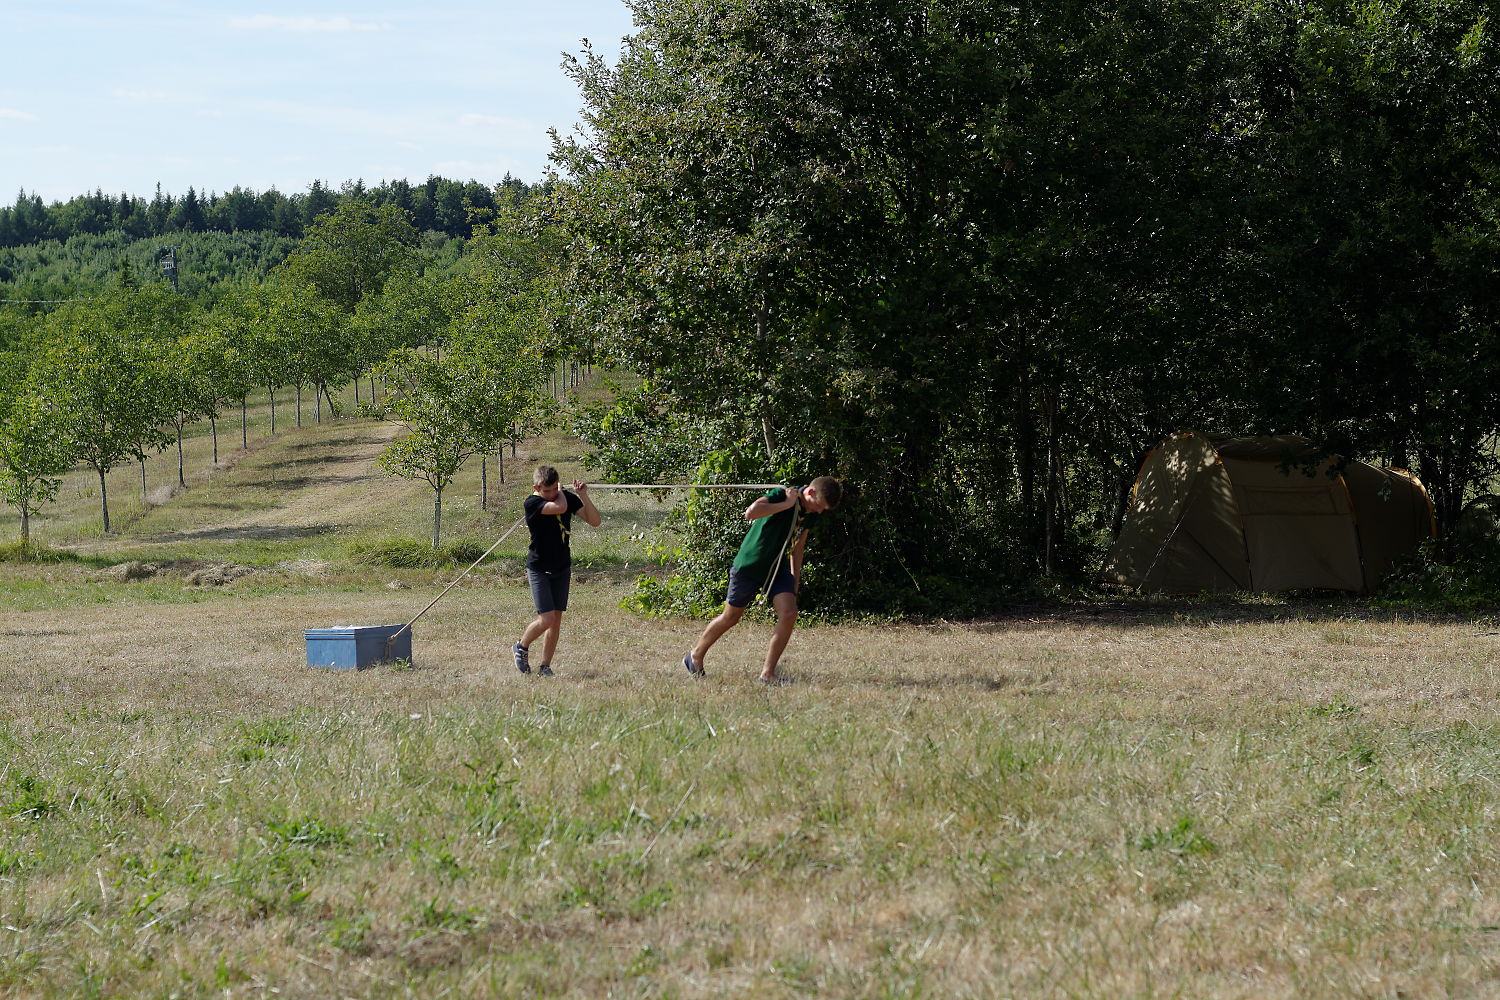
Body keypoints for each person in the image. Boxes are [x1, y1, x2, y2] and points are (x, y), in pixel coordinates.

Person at [684, 477, 842, 684]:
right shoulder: (781, 495)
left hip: (777, 568)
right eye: (819, 505)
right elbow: (751, 512)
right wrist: (787, 503)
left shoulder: (810, 513)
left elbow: (798, 547)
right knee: (730, 618)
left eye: (823, 509)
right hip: (751, 565)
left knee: (789, 613)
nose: (819, 511)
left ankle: (767, 674)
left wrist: (795, 580)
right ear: (810, 493)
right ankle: (695, 655)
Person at [513, 465, 600, 676]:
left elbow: (595, 521)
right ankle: (521, 646)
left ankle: (545, 666)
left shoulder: (566, 498)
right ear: (537, 488)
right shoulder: (533, 503)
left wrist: (583, 496)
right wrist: (561, 492)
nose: (552, 494)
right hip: (539, 568)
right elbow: (560, 507)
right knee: (546, 619)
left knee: (556, 621)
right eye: (547, 491)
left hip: (561, 567)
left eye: (554, 489)